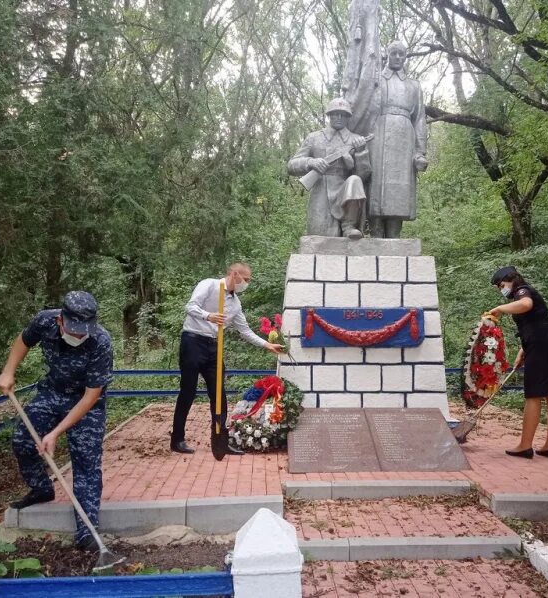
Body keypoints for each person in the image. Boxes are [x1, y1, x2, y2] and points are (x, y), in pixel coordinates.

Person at [0, 291, 113, 553]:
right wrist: (8, 371)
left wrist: (56, 432)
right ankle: (41, 489)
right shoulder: (45, 321)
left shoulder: (101, 342)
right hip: (52, 392)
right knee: (23, 440)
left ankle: (87, 533)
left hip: (86, 403)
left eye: (85, 331)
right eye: (75, 330)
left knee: (86, 462)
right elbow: (23, 341)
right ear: (61, 320)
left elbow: (91, 396)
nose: (80, 335)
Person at [171, 263, 285, 454]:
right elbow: (190, 306)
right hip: (192, 341)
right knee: (188, 390)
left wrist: (267, 345)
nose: (247, 284)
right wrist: (209, 316)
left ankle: (221, 440)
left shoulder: (235, 303)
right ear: (234, 274)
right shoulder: (209, 285)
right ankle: (177, 439)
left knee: (219, 394)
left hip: (214, 346)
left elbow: (245, 330)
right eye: (246, 280)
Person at [487, 267, 548, 459]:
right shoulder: (522, 292)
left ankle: (525, 446)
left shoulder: (522, 291)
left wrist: (500, 309)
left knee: (534, 395)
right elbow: (535, 324)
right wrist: (523, 351)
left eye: (502, 285)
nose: (502, 290)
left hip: (542, 347)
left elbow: (526, 305)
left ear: (512, 279)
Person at [367, 40, 428, 239]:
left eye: (402, 54)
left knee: (399, 190)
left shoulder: (414, 86)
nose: (398, 58)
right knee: (375, 186)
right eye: (394, 53)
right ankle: (375, 235)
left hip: (404, 138)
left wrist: (420, 151)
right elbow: (364, 109)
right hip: (378, 134)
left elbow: (419, 119)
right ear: (387, 54)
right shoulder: (376, 80)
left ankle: (395, 239)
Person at [287, 97, 371, 239]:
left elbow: (364, 175)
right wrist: (310, 162)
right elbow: (291, 165)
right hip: (321, 191)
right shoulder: (314, 138)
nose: (339, 117)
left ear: (348, 118)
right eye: (335, 114)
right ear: (329, 115)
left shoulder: (356, 140)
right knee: (318, 237)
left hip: (345, 190)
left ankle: (348, 226)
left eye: (343, 115)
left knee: (355, 180)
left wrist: (361, 152)